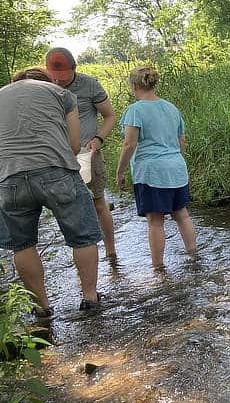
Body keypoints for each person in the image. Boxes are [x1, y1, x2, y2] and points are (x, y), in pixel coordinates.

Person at [0, 68, 103, 318]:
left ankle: (42, 308)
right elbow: (74, 144)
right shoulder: (61, 93)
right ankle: (89, 298)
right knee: (84, 236)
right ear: (46, 81)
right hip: (56, 171)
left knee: (22, 245)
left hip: (9, 177)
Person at [116, 66, 196, 268]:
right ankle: (194, 256)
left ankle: (158, 268)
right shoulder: (171, 108)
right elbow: (181, 140)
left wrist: (119, 171)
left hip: (152, 172)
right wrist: (175, 161)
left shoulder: (134, 110)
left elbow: (129, 144)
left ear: (134, 86)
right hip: (177, 168)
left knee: (155, 221)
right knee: (182, 214)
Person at [46, 48, 117, 258]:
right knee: (68, 208)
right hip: (58, 157)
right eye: (52, 72)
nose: (57, 78)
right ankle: (80, 256)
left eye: (62, 72)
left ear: (74, 68)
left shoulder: (89, 84)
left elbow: (110, 116)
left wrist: (98, 139)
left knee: (98, 204)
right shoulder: (44, 87)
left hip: (88, 154)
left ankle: (111, 254)